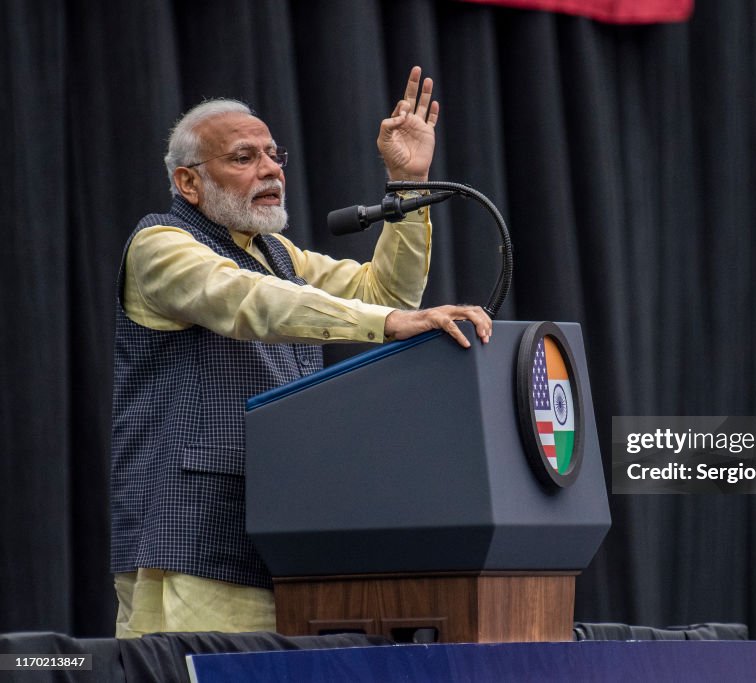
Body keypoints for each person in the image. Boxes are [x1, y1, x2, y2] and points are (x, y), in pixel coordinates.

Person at [110, 67, 491, 638]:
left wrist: (407, 185)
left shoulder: (276, 252)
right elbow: (255, 302)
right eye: (243, 158)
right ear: (189, 183)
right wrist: (387, 323)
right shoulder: (160, 244)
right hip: (195, 535)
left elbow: (382, 294)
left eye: (273, 154)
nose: (269, 170)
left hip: (290, 528)